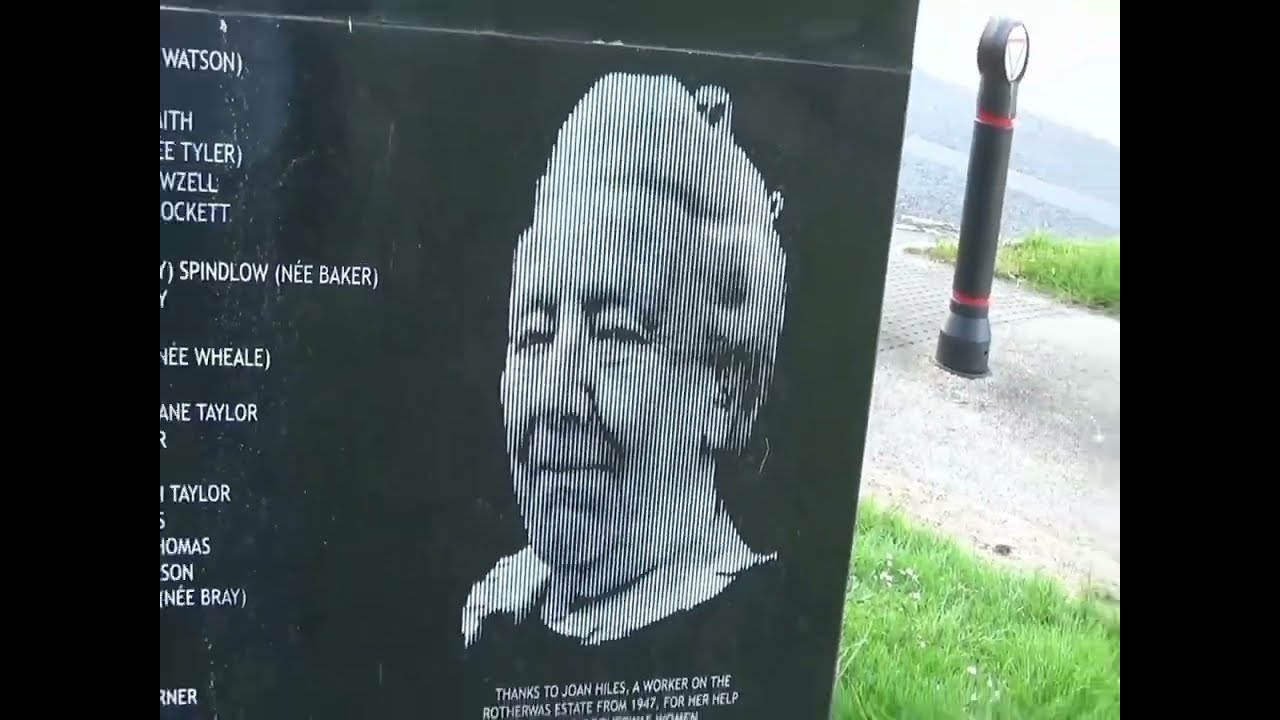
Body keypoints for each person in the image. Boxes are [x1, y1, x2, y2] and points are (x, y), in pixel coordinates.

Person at [461, 72, 791, 708]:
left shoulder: (760, 633)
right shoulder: (496, 623)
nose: (552, 391)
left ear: (727, 388)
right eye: (531, 333)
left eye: (616, 332)